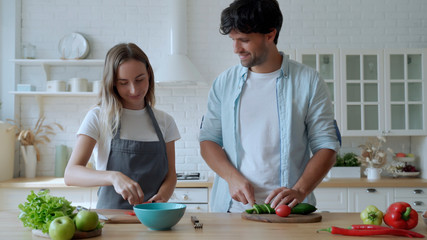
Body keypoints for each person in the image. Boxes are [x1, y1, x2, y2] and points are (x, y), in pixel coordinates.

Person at [199, 0, 340, 213]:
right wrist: (232, 178)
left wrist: (300, 191)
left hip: (290, 212)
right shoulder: (224, 83)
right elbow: (208, 140)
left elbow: (327, 146)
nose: (236, 49)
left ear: (270, 35)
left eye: (244, 40)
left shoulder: (309, 81)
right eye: (233, 40)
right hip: (232, 211)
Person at [64, 43, 180, 209]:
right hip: (111, 221)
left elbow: (171, 175)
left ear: (149, 74)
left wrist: (161, 198)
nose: (134, 89)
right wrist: (113, 177)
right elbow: (70, 174)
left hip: (153, 220)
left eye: (139, 79)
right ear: (112, 83)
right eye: (123, 82)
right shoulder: (98, 117)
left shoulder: (165, 121)